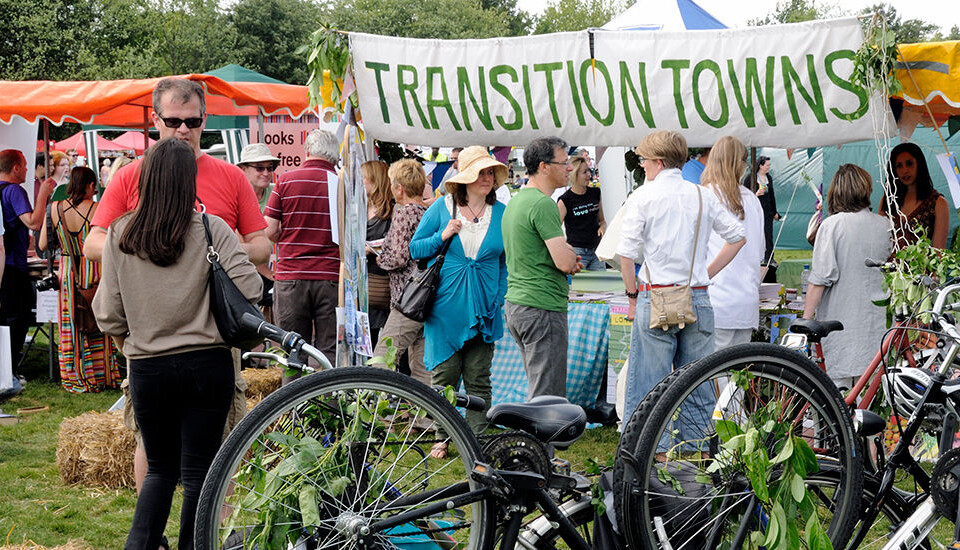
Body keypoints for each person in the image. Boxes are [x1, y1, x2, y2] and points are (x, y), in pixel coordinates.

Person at [82, 77, 270, 512]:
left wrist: (213, 250)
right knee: (155, 450)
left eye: (192, 121)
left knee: (217, 449)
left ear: (205, 120)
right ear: (156, 120)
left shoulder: (229, 177)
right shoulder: (131, 175)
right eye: (173, 121)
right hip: (154, 339)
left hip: (210, 340)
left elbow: (260, 244)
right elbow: (96, 242)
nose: (183, 130)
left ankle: (204, 535)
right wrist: (164, 248)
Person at [617, 130, 746, 418]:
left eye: (644, 160)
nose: (642, 165)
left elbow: (626, 254)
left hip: (656, 295)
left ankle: (653, 453)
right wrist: (705, 273)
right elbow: (738, 237)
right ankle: (697, 453)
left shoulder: (643, 196)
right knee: (697, 384)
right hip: (696, 295)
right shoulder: (702, 195)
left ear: (659, 162)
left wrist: (631, 297)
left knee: (649, 385)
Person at [410, 146, 509, 456]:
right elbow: (415, 249)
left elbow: (506, 262)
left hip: (485, 306)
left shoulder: (502, 214)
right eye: (481, 172)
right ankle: (442, 435)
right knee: (445, 376)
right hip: (445, 307)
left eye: (491, 172)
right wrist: (442, 236)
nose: (487, 177)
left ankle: (477, 441)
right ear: (465, 178)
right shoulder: (442, 208)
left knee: (479, 376)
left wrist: (500, 294)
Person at [502, 137, 582, 399]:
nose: (569, 168)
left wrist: (567, 256)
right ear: (544, 166)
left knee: (538, 387)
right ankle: (540, 442)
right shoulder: (542, 204)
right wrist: (570, 259)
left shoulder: (518, 200)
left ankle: (536, 440)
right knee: (547, 396)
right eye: (564, 163)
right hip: (542, 306)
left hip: (520, 303)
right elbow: (565, 261)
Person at [804, 164, 892, 388]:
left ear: (836, 190)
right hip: (876, 329)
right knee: (869, 408)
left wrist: (804, 321)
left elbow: (820, 279)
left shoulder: (832, 225)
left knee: (836, 403)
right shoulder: (885, 225)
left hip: (840, 326)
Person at [39, 166, 119, 393]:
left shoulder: (54, 209)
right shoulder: (98, 209)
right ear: (91, 186)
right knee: (97, 321)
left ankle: (74, 373)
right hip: (93, 269)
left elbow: (44, 245)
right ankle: (100, 374)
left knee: (71, 323)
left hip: (66, 273)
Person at [264, 129, 340, 367]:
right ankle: (327, 400)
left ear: (306, 151)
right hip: (331, 277)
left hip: (291, 277)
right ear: (334, 156)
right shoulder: (341, 184)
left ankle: (293, 403)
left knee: (292, 352)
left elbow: (270, 231)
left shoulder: (285, 181)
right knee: (329, 353)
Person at [702, 137, 764, 349]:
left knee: (712, 376)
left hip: (715, 300)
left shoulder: (705, 196)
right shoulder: (752, 200)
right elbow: (760, 251)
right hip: (746, 300)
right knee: (738, 375)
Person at [372, 159, 430, 385]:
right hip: (425, 298)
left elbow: (398, 257)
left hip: (407, 298)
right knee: (422, 366)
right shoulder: (425, 212)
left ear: (399, 188)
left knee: (383, 357)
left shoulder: (405, 213)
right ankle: (424, 418)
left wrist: (379, 258)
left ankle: (380, 408)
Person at [0, 149, 56, 366]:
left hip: (5, 263)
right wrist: (43, 193)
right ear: (15, 168)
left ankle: (7, 367)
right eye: (24, 165)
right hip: (13, 265)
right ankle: (10, 369)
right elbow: (33, 222)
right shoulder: (14, 190)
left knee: (6, 317)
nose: (26, 169)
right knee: (19, 317)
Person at [237, 143, 280, 321]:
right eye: (259, 168)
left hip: (277, 270)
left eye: (270, 168)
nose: (266, 173)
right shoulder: (235, 195)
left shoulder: (275, 192)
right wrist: (267, 272)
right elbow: (240, 244)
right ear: (243, 169)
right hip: (247, 270)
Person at [879, 142, 948, 249]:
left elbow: (938, 252)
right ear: (894, 170)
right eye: (899, 166)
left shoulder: (938, 202)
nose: (905, 170)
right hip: (887, 264)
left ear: (919, 165)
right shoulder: (888, 199)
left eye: (909, 163)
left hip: (920, 265)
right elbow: (879, 241)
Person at [363, 160, 394, 345]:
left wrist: (369, 249)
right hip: (363, 284)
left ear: (375, 181)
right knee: (368, 339)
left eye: (363, 178)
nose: (359, 182)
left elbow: (396, 242)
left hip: (384, 284)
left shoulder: (392, 210)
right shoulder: (357, 208)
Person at [558, 155, 605, 271]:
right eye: (584, 172)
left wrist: (603, 227)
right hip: (577, 253)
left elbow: (602, 220)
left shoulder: (595, 193)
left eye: (589, 170)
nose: (589, 175)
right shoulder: (565, 200)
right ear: (574, 175)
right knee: (579, 288)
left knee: (602, 286)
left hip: (597, 250)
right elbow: (554, 228)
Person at [742, 155, 779, 263]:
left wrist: (774, 211)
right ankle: (754, 256)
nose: (769, 167)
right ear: (761, 166)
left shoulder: (769, 178)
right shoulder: (750, 178)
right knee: (756, 233)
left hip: (767, 211)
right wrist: (756, 194)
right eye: (767, 165)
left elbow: (772, 195)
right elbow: (745, 195)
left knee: (768, 234)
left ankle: (769, 257)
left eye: (769, 165)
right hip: (755, 210)